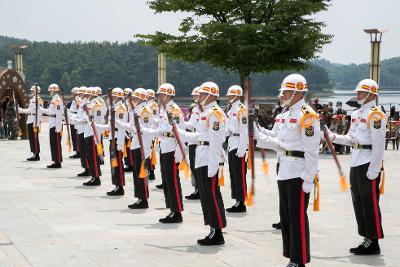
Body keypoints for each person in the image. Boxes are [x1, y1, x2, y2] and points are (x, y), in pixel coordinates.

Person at [254, 74, 320, 267]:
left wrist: (308, 178)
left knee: (297, 217)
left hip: (298, 173)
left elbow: (311, 151)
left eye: (287, 91)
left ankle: (299, 261)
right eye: (282, 91)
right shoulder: (284, 114)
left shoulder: (307, 116)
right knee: (287, 216)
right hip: (284, 170)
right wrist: (256, 128)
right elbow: (275, 137)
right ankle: (292, 257)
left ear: (299, 92)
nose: (282, 95)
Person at [327, 79, 385, 255]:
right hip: (356, 161)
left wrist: (374, 168)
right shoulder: (357, 114)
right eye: (358, 92)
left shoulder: (375, 115)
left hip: (368, 162)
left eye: (361, 92)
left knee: (370, 203)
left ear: (371, 95)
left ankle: (374, 240)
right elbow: (351, 139)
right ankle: (366, 237)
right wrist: (333, 137)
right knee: (358, 202)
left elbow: (379, 144)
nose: (357, 94)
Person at [118, 88, 154, 209]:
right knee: (136, 173)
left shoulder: (144, 111)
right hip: (136, 144)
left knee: (141, 173)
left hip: (142, 145)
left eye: (134, 98)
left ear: (139, 98)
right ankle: (139, 197)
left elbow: (146, 131)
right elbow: (133, 127)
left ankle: (143, 199)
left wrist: (147, 151)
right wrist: (119, 123)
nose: (132, 100)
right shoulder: (137, 110)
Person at [225, 85, 248, 213]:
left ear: (237, 96)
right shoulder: (232, 109)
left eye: (230, 95)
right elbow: (229, 129)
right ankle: (237, 200)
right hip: (232, 142)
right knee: (234, 174)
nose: (228, 97)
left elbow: (244, 131)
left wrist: (242, 149)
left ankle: (241, 202)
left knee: (239, 175)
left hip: (239, 143)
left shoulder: (241, 110)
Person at [184, 87, 201, 200]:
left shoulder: (197, 109)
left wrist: (179, 122)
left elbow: (191, 125)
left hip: (196, 141)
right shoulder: (195, 108)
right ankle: (197, 189)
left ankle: (199, 189)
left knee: (196, 167)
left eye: (195, 95)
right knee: (194, 167)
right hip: (193, 140)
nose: (193, 97)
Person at [41, 84, 64, 168]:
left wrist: (58, 127)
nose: (50, 92)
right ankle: (55, 161)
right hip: (53, 123)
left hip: (56, 124)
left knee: (56, 144)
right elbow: (51, 111)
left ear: (53, 91)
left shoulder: (57, 100)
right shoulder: (54, 99)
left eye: (50, 90)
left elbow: (57, 114)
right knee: (53, 143)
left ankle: (58, 162)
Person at [18, 85, 43, 161]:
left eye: (32, 91)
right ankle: (35, 154)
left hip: (33, 120)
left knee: (34, 138)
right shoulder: (36, 99)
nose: (31, 92)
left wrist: (20, 110)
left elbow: (30, 111)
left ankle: (36, 155)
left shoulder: (35, 99)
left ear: (36, 91)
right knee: (33, 138)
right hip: (32, 119)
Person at [146, 89, 159, 182]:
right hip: (147, 131)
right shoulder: (147, 104)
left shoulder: (153, 106)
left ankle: (151, 171)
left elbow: (153, 119)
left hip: (150, 132)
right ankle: (148, 170)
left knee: (150, 152)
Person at [68, 87, 80, 159]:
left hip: (75, 117)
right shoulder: (74, 99)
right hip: (72, 117)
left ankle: (78, 151)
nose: (71, 93)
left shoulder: (77, 99)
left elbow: (78, 110)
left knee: (76, 135)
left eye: (72, 92)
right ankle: (76, 150)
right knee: (73, 135)